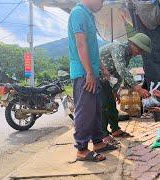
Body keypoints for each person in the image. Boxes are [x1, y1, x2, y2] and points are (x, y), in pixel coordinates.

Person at [68, 0, 116, 162]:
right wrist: (89, 71)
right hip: (84, 73)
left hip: (91, 72)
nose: (102, 3)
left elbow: (92, 47)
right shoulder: (78, 13)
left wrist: (101, 68)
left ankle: (98, 143)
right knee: (85, 111)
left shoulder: (88, 15)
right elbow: (81, 44)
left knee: (96, 109)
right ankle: (82, 150)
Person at [99, 33, 152, 144]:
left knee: (112, 105)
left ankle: (115, 130)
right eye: (140, 49)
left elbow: (117, 75)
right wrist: (138, 88)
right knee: (104, 106)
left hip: (109, 80)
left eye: (142, 51)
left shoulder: (128, 55)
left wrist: (115, 91)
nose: (139, 53)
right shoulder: (118, 48)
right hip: (99, 77)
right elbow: (121, 70)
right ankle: (103, 135)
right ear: (132, 44)